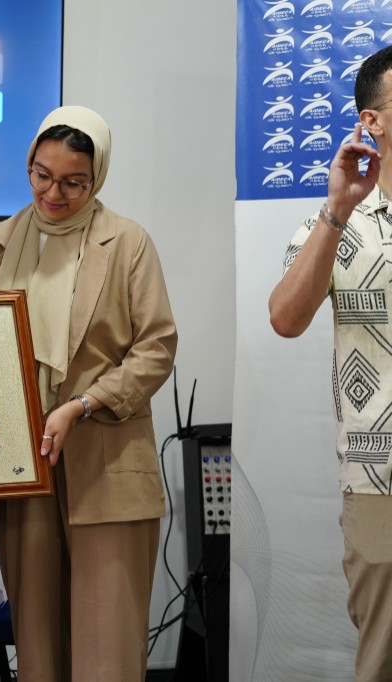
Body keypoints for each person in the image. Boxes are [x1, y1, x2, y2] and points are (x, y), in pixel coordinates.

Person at [0, 105, 178, 681]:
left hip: (106, 458)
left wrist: (81, 405)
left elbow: (156, 347)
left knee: (105, 648)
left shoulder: (128, 242)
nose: (53, 192)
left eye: (74, 181)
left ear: (99, 176)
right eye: (41, 174)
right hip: (23, 465)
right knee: (37, 649)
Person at [269, 44, 392, 682]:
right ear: (371, 121)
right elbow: (286, 319)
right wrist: (337, 210)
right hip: (381, 476)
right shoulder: (340, 221)